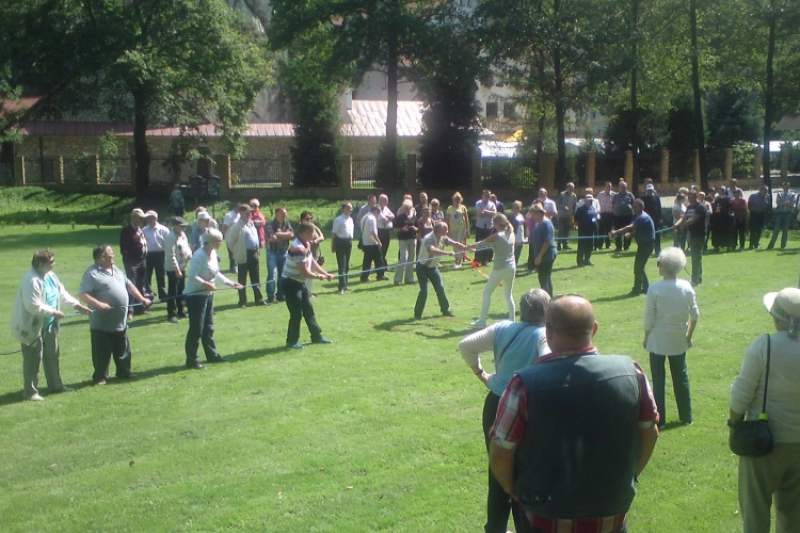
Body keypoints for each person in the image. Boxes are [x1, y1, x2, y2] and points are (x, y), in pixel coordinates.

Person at [489, 295, 659, 533]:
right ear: (595, 329)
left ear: (547, 331)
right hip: (611, 515)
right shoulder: (633, 372)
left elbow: (499, 453)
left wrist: (512, 490)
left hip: (545, 516)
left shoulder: (523, 384)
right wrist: (631, 475)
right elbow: (650, 433)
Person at [458, 289, 551, 533]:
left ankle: (495, 528)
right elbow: (549, 363)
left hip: (496, 402)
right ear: (546, 311)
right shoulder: (544, 335)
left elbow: (466, 345)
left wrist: (482, 374)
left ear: (521, 308)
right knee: (524, 471)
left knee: (498, 467)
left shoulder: (502, 328)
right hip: (526, 409)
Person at [730, 287, 800, 533]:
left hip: (763, 444)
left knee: (755, 513)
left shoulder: (765, 345)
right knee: (793, 517)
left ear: (778, 318)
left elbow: (740, 396)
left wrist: (733, 427)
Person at [11, 249, 91, 401]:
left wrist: (77, 305)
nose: (54, 264)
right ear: (41, 264)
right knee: (33, 359)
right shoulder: (31, 280)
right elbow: (32, 306)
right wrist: (54, 312)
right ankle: (30, 392)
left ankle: (56, 386)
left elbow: (61, 294)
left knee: (52, 355)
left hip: (50, 324)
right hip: (31, 327)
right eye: (52, 261)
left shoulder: (51, 276)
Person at [78, 244, 152, 385]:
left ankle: (124, 372)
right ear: (102, 256)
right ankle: (100, 377)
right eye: (110, 252)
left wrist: (141, 299)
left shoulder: (116, 269)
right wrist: (98, 304)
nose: (113, 255)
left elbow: (129, 285)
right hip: (101, 322)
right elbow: (82, 293)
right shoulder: (92, 273)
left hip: (120, 320)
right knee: (102, 351)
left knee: (122, 347)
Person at [644, 247, 699, 427]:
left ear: (664, 266)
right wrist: (688, 335)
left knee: (658, 379)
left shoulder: (655, 288)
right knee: (680, 376)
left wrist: (646, 336)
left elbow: (649, 317)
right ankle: (686, 416)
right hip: (677, 338)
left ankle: (660, 419)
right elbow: (695, 315)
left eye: (659, 263)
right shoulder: (686, 286)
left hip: (658, 339)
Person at [183, 229, 242, 369]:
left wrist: (231, 283)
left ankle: (212, 355)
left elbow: (216, 273)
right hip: (195, 295)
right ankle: (192, 360)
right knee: (196, 329)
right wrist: (206, 284)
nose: (221, 243)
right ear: (210, 242)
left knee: (208, 327)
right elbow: (192, 276)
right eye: (219, 241)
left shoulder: (213, 253)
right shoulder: (199, 256)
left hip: (207, 295)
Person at [280, 223, 335, 349]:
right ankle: (291, 342)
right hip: (290, 283)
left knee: (308, 310)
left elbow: (312, 262)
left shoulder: (306, 244)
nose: (314, 236)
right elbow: (304, 271)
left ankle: (316, 336)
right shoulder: (297, 248)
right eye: (311, 233)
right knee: (296, 313)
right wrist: (318, 277)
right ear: (304, 232)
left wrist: (325, 274)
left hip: (299, 282)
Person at [469, 214, 516, 327]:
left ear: (498, 223)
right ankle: (512, 319)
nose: (493, 225)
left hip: (501, 267)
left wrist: (467, 247)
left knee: (487, 293)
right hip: (512, 267)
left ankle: (482, 320)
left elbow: (481, 244)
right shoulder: (511, 233)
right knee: (508, 294)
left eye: (494, 223)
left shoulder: (497, 235)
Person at [414, 222, 468, 320]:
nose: (447, 231)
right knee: (424, 291)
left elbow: (454, 243)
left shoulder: (443, 237)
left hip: (433, 268)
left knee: (440, 288)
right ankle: (417, 314)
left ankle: (445, 310)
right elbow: (432, 251)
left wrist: (465, 247)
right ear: (439, 231)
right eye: (445, 230)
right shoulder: (428, 239)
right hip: (422, 268)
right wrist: (447, 253)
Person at [610, 199, 656, 296]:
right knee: (639, 267)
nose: (633, 208)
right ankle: (646, 288)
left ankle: (637, 290)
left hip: (647, 245)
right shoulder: (638, 217)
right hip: (644, 245)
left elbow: (630, 227)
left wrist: (615, 232)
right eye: (633, 206)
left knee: (638, 267)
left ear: (641, 207)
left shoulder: (642, 217)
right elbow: (639, 230)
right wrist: (631, 235)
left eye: (636, 207)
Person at [225, 204, 265, 308]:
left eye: (250, 212)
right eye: (247, 213)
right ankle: (242, 301)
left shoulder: (251, 224)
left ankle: (259, 299)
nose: (249, 214)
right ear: (241, 213)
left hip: (254, 253)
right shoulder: (237, 226)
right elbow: (230, 241)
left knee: (255, 277)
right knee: (242, 279)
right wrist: (237, 251)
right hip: (244, 254)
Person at [672, 191, 707, 287]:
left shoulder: (700, 207)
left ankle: (695, 279)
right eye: (689, 198)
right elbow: (684, 217)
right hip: (692, 235)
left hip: (699, 235)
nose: (690, 199)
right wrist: (676, 225)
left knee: (695, 257)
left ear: (696, 197)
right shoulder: (690, 207)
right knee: (696, 257)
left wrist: (682, 225)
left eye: (692, 197)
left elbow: (693, 220)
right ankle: (698, 278)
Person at [119, 208, 148, 317]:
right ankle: (129, 311)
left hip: (142, 260)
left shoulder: (140, 229)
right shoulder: (127, 230)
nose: (142, 220)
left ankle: (139, 308)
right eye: (140, 218)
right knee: (132, 285)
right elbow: (123, 248)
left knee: (140, 284)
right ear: (134, 218)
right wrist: (130, 260)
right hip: (132, 261)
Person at [164, 217, 192, 323]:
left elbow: (186, 247)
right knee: (173, 291)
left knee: (181, 289)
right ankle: (171, 314)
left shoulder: (183, 235)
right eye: (182, 226)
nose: (184, 228)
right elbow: (171, 255)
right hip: (173, 268)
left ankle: (181, 310)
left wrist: (189, 255)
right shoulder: (171, 237)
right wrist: (176, 269)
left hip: (182, 266)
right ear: (175, 226)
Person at [265, 206, 294, 303]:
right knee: (272, 274)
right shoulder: (270, 224)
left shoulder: (287, 224)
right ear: (277, 213)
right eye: (283, 212)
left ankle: (281, 294)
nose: (285, 214)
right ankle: (270, 296)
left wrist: (279, 234)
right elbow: (272, 238)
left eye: (285, 212)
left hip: (284, 252)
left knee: (283, 274)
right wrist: (285, 236)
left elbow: (292, 235)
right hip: (272, 253)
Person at [528, 203, 557, 296]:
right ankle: (548, 299)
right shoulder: (538, 224)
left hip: (547, 255)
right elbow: (532, 237)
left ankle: (547, 299)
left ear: (539, 214)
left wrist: (540, 256)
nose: (532, 217)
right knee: (543, 278)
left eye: (533, 215)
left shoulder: (546, 224)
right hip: (541, 254)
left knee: (544, 278)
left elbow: (547, 242)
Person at [142, 210, 169, 301]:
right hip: (148, 254)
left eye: (149, 218)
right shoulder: (144, 230)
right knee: (147, 275)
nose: (147, 219)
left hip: (160, 254)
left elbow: (168, 243)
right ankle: (148, 294)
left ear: (154, 218)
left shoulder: (163, 230)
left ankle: (163, 295)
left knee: (161, 275)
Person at [331, 203, 354, 295]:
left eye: (352, 208)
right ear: (344, 209)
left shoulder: (350, 219)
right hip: (340, 242)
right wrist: (333, 245)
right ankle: (341, 287)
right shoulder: (339, 220)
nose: (351, 210)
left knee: (347, 264)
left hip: (348, 242)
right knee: (342, 265)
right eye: (349, 208)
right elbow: (333, 233)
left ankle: (345, 284)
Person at [300, 210, 325, 296]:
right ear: (302, 219)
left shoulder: (314, 227)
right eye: (307, 219)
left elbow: (322, 237)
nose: (309, 220)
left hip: (314, 254)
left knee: (311, 273)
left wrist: (314, 241)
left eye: (310, 218)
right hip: (305, 254)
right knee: (306, 274)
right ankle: (305, 292)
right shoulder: (302, 229)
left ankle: (308, 292)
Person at [394, 199, 418, 285]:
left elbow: (418, 228)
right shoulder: (400, 218)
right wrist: (401, 229)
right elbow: (395, 229)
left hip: (412, 239)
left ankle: (409, 278)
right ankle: (397, 279)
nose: (407, 210)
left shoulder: (415, 217)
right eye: (405, 208)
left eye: (409, 208)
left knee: (411, 259)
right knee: (403, 258)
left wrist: (415, 229)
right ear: (403, 208)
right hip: (403, 240)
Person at [360, 204, 387, 282]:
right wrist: (379, 242)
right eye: (378, 213)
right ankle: (380, 275)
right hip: (373, 242)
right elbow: (373, 232)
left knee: (367, 261)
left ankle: (364, 277)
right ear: (376, 211)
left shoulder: (364, 217)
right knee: (379, 260)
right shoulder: (372, 219)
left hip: (365, 242)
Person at [768, 182, 797, 250]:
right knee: (776, 229)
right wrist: (785, 203)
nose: (785, 188)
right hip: (779, 213)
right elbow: (778, 202)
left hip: (787, 214)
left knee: (785, 230)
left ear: (789, 187)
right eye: (784, 186)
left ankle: (783, 245)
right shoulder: (779, 194)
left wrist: (782, 203)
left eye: (786, 186)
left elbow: (791, 204)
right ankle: (771, 245)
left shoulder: (792, 194)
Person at [446, 192, 470, 269]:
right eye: (456, 199)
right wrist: (447, 230)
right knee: (454, 244)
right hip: (453, 228)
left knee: (459, 243)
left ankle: (458, 261)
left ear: (461, 200)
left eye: (458, 199)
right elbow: (447, 220)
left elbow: (466, 219)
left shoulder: (463, 207)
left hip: (461, 228)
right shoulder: (450, 208)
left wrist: (467, 230)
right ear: (453, 200)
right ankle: (456, 258)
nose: (457, 201)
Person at [475, 190, 498, 266]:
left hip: (489, 227)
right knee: (479, 243)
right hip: (480, 226)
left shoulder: (492, 204)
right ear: (482, 196)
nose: (487, 197)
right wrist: (489, 212)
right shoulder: (478, 203)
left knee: (487, 243)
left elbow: (494, 214)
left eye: (488, 195)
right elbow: (479, 214)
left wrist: (485, 211)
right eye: (485, 195)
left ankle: (484, 261)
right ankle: (477, 260)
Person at [574, 192, 598, 267]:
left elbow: (595, 217)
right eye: (589, 200)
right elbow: (575, 219)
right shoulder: (580, 209)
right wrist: (578, 226)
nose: (590, 202)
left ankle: (587, 259)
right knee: (582, 246)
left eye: (591, 200)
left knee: (590, 246)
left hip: (591, 230)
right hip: (583, 231)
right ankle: (580, 261)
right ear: (585, 200)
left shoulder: (592, 208)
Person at [612, 181, 636, 251]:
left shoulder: (630, 195)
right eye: (622, 187)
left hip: (628, 216)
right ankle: (618, 246)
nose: (623, 188)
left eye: (624, 187)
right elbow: (612, 205)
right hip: (618, 216)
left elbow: (634, 204)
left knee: (628, 231)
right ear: (619, 187)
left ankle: (626, 246)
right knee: (618, 231)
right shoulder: (616, 195)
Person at [641, 182, 663, 254]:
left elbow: (659, 208)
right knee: (646, 235)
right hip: (646, 219)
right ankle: (646, 249)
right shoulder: (643, 198)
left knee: (657, 235)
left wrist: (660, 218)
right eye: (648, 190)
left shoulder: (656, 197)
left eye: (651, 190)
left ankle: (657, 250)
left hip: (655, 219)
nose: (650, 192)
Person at [711, 185, 734, 252]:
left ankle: (728, 246)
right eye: (719, 190)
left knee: (726, 232)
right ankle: (717, 246)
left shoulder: (727, 198)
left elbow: (729, 207)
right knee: (717, 232)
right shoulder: (716, 199)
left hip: (725, 218)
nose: (720, 191)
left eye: (722, 190)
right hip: (717, 218)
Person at [555, 182, 577, 250]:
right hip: (561, 215)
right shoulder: (562, 194)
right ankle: (558, 244)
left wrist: (574, 213)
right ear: (567, 188)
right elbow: (558, 203)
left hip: (569, 216)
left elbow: (575, 205)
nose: (571, 190)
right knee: (561, 230)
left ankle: (565, 244)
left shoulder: (574, 196)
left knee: (567, 231)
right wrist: (564, 206)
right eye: (570, 188)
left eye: (572, 188)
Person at [220, 203, 240, 274]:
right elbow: (224, 226)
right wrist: (223, 235)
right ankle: (233, 267)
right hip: (230, 237)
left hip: (238, 237)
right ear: (235, 207)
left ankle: (236, 266)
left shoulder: (239, 215)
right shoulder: (229, 215)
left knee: (237, 252)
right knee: (232, 252)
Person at [596, 181, 616, 250]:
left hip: (610, 214)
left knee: (609, 230)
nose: (608, 188)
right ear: (605, 187)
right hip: (602, 214)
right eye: (607, 186)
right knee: (601, 230)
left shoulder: (614, 195)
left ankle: (608, 244)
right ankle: (599, 245)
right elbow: (597, 203)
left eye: (609, 186)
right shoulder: (600, 194)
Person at [376, 194, 395, 266]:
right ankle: (381, 264)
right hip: (380, 231)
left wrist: (388, 217)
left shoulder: (386, 208)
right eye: (386, 200)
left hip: (387, 231)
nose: (387, 202)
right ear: (381, 201)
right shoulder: (377, 208)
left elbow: (393, 215)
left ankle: (382, 263)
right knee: (381, 249)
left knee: (385, 248)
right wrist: (389, 218)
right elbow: (383, 220)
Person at [509, 201, 527, 267]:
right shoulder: (511, 217)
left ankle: (514, 268)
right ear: (513, 208)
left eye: (518, 208)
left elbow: (524, 227)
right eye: (515, 208)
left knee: (517, 255)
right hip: (514, 238)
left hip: (521, 238)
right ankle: (511, 269)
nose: (516, 209)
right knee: (513, 255)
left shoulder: (521, 216)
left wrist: (525, 236)